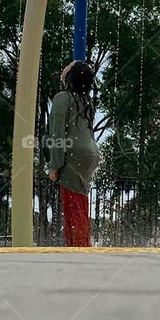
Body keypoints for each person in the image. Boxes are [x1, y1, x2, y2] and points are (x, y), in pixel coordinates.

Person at [45, 60, 100, 247]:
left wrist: (54, 165)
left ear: (71, 75)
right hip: (91, 153)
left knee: (72, 207)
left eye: (68, 67)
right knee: (80, 202)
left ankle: (80, 248)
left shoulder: (62, 97)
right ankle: (82, 244)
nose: (64, 68)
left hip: (73, 155)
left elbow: (57, 134)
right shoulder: (86, 101)